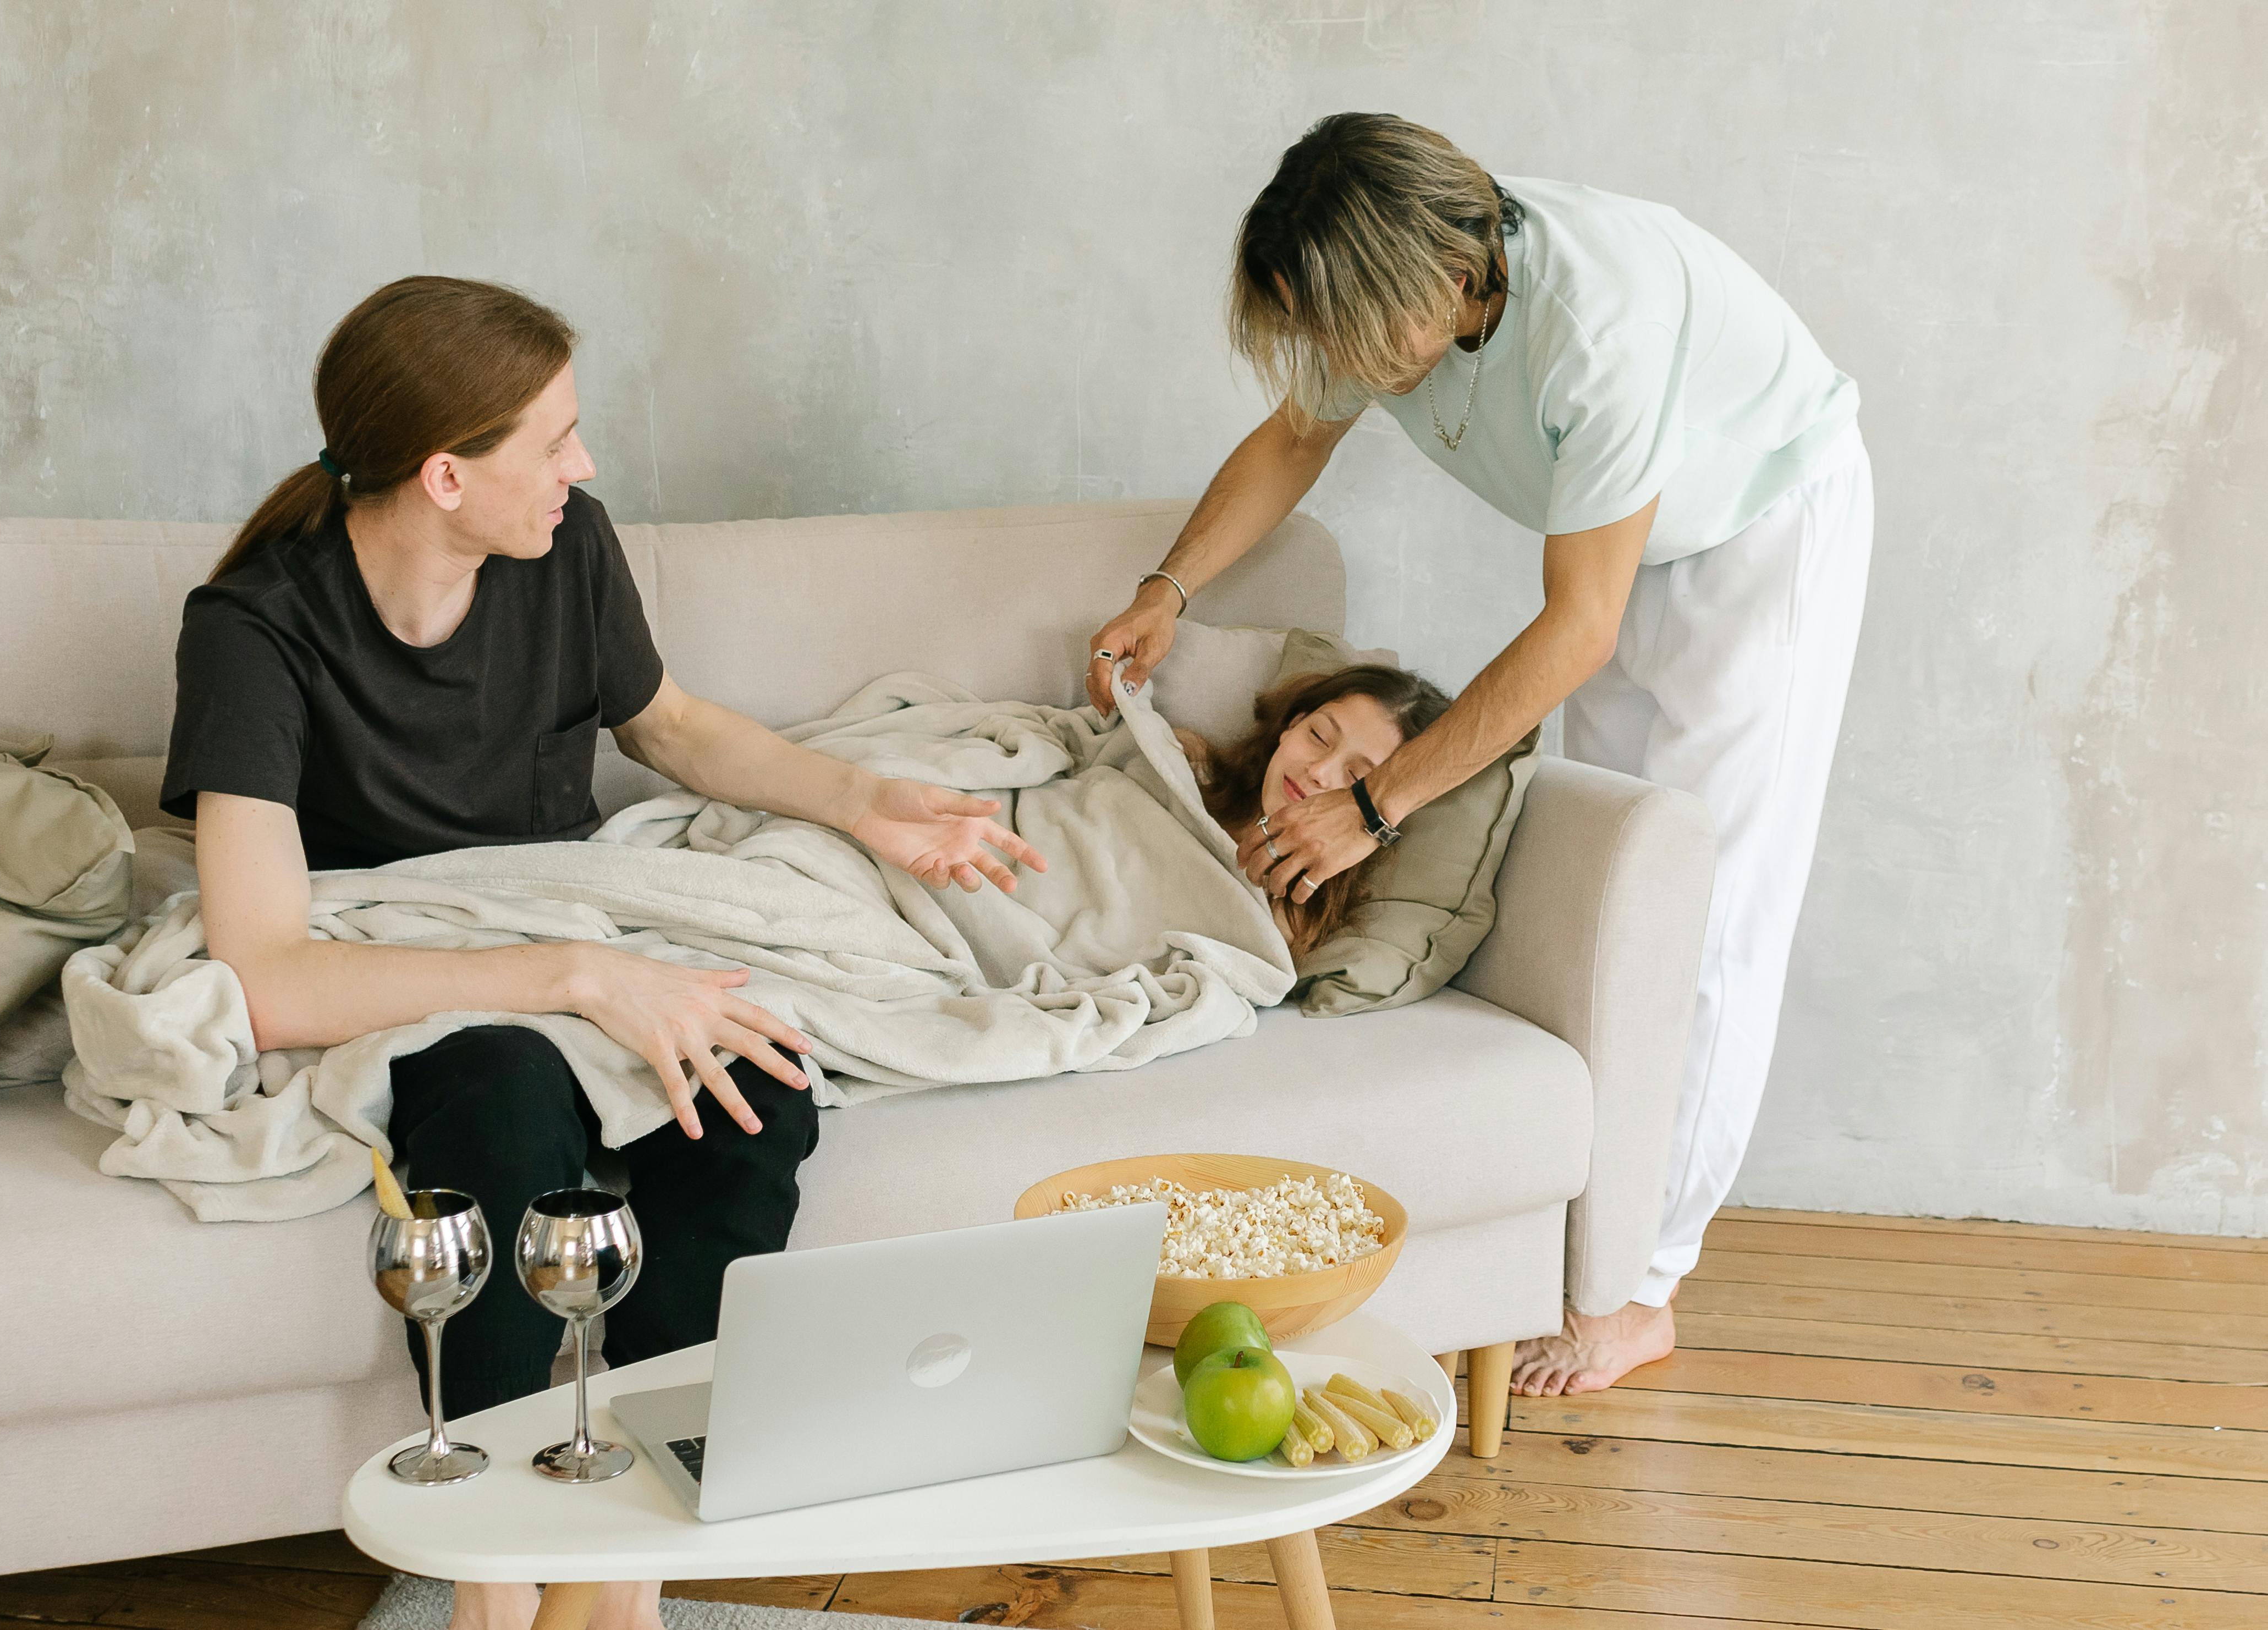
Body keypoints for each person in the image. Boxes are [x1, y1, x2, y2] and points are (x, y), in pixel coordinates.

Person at [164, 276, 1044, 1630]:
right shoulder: (254, 628)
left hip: (575, 924)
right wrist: (573, 972)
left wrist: (864, 801)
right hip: (422, 965)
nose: (582, 464)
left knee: (756, 1089)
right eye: (554, 437)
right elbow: (269, 969)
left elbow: (674, 727)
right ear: (446, 475)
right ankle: (502, 1567)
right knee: (502, 1097)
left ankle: (610, 1572)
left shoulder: (567, 549)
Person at [1089, 114, 1871, 1397]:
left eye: (1348, 340)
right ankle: (1589, 1239)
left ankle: (1643, 1286)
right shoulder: (1395, 283)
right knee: (1616, 910)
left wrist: (1374, 804)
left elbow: (1576, 624)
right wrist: (1170, 585)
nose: (1338, 368)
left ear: (1450, 281)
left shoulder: (1595, 331)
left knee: (1708, 916)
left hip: (1757, 531)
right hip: (1634, 552)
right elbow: (1294, 438)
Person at [1172, 664, 1451, 959]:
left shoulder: (1288, 924)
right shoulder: (1183, 763)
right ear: (1294, 724)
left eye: (1358, 778)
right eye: (1318, 736)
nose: (1319, 771)